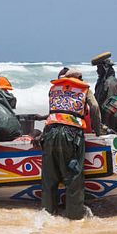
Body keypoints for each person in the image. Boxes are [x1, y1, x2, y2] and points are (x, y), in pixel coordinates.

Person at [41, 68, 101, 220]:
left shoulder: (54, 88)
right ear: (79, 78)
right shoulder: (84, 89)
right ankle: (74, 217)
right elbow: (94, 107)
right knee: (73, 177)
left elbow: (54, 110)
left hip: (50, 132)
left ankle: (48, 214)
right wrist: (97, 129)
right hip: (71, 133)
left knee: (49, 177)